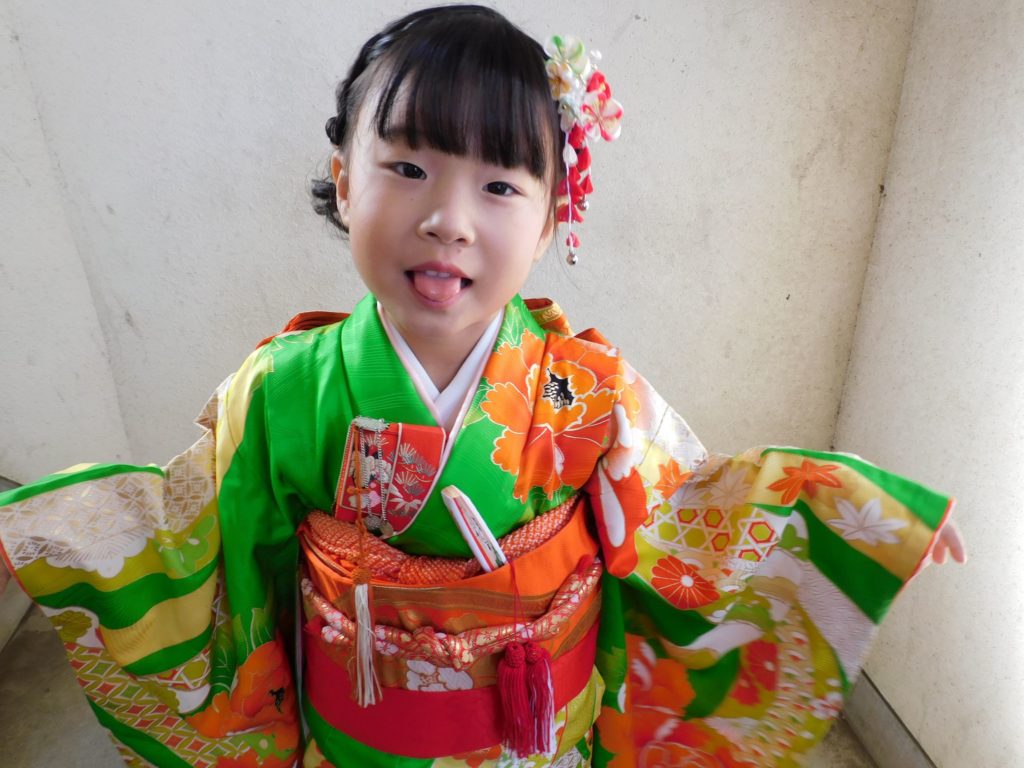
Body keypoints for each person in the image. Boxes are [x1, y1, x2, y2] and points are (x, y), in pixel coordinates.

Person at [0, 5, 964, 767]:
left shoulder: (588, 390)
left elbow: (682, 515)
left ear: (549, 221)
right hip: (363, 740)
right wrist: (44, 538)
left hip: (530, 736)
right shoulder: (283, 388)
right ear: (345, 182)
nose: (449, 219)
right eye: (408, 166)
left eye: (499, 186)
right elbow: (200, 535)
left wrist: (857, 520)